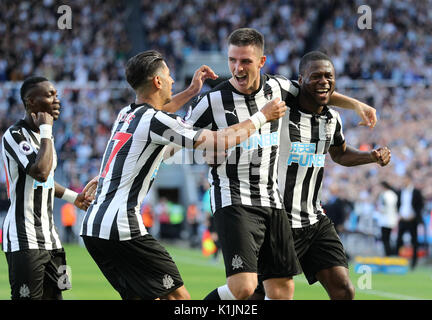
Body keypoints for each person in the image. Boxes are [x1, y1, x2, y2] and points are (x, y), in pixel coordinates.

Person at [182, 28, 378, 300]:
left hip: (271, 202)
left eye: (246, 61)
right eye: (232, 61)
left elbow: (315, 90)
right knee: (243, 288)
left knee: (282, 291)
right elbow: (182, 136)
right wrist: (207, 149)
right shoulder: (211, 101)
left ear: (262, 63)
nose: (237, 68)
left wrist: (357, 105)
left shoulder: (278, 88)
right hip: (233, 198)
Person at [80, 50, 287, 300]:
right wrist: (262, 116)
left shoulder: (127, 113)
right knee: (179, 299)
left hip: (94, 228)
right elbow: (220, 141)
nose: (172, 81)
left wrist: (191, 92)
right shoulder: (157, 122)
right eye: (168, 76)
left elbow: (157, 112)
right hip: (122, 227)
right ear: (157, 81)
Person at [252, 51, 391, 300]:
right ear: (301, 79)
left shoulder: (331, 120)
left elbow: (340, 154)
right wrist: (356, 103)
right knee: (258, 294)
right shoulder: (281, 109)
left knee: (344, 290)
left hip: (315, 221)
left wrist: (370, 156)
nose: (324, 81)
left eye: (329, 76)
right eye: (316, 76)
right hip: (279, 222)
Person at [1, 76, 96, 300]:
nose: (57, 100)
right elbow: (40, 172)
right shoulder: (15, 135)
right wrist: (46, 131)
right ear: (31, 102)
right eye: (50, 95)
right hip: (24, 239)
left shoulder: (46, 135)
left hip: (52, 240)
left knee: (57, 297)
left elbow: (46, 182)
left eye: (56, 94)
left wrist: (75, 198)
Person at [396, 174, 424, 269]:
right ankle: (398, 261)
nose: (404, 181)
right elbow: (399, 204)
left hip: (412, 220)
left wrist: (415, 215)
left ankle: (414, 263)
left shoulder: (416, 192)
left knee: (414, 241)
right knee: (399, 240)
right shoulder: (400, 191)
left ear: (409, 180)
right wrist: (399, 214)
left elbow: (420, 205)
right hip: (403, 219)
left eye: (405, 179)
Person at [377, 181, 399, 256]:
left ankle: (388, 255)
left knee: (385, 239)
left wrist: (381, 209)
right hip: (391, 219)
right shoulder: (393, 194)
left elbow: (385, 207)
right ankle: (389, 254)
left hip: (386, 220)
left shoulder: (385, 195)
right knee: (388, 239)